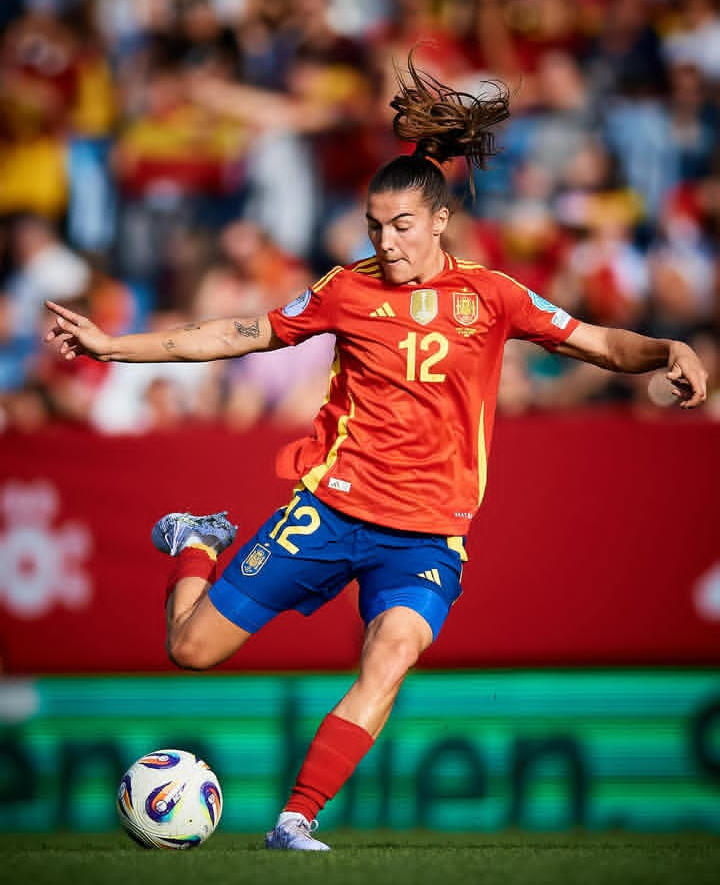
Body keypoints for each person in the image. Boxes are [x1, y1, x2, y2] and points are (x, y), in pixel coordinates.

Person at [43, 53, 708, 851]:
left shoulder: (491, 296)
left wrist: (667, 347)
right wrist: (117, 347)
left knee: (391, 654)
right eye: (374, 226)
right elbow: (236, 333)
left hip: (427, 533)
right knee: (190, 650)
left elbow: (600, 342)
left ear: (437, 222)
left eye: (400, 226)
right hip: (329, 510)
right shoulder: (344, 290)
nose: (386, 243)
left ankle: (295, 818)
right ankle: (195, 541)